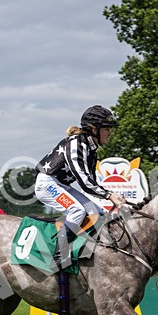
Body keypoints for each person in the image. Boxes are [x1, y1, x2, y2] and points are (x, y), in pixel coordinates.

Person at [34, 105, 126, 267]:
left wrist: (111, 196)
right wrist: (109, 195)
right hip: (47, 184)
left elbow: (92, 183)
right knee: (77, 210)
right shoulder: (76, 144)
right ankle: (58, 257)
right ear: (93, 129)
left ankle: (85, 254)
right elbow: (84, 181)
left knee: (99, 213)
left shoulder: (91, 150)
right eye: (106, 129)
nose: (110, 133)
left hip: (61, 185)